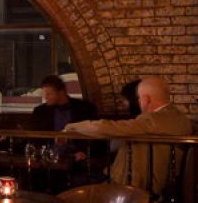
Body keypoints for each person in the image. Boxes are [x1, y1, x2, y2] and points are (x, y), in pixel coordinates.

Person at [64, 76, 192, 195]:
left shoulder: (153, 120)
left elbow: (105, 127)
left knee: (72, 185)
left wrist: (71, 127)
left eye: (139, 98)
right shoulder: (180, 117)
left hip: (140, 186)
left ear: (146, 99)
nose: (139, 102)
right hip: (158, 181)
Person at [30, 75, 100, 160]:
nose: (45, 97)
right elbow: (35, 139)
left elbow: (96, 136)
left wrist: (84, 152)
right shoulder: (40, 111)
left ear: (61, 92)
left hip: (78, 159)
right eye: (45, 94)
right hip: (49, 158)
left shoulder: (85, 108)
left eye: (49, 94)